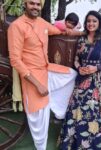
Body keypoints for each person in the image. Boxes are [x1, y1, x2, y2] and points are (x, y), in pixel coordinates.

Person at [8, 0, 77, 149]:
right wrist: (38, 84)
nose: (35, 7)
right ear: (25, 4)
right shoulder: (16, 26)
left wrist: (86, 32)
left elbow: (60, 31)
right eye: (32, 3)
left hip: (46, 68)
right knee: (39, 117)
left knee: (72, 75)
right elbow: (15, 61)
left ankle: (58, 110)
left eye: (38, 4)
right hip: (31, 77)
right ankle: (41, 147)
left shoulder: (42, 23)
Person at [60, 10, 101, 150]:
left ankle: (100, 142)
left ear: (99, 23)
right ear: (85, 23)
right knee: (77, 109)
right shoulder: (82, 39)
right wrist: (79, 68)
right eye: (88, 21)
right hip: (83, 79)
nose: (91, 24)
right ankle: (77, 143)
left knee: (99, 112)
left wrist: (96, 68)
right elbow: (77, 59)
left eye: (94, 21)